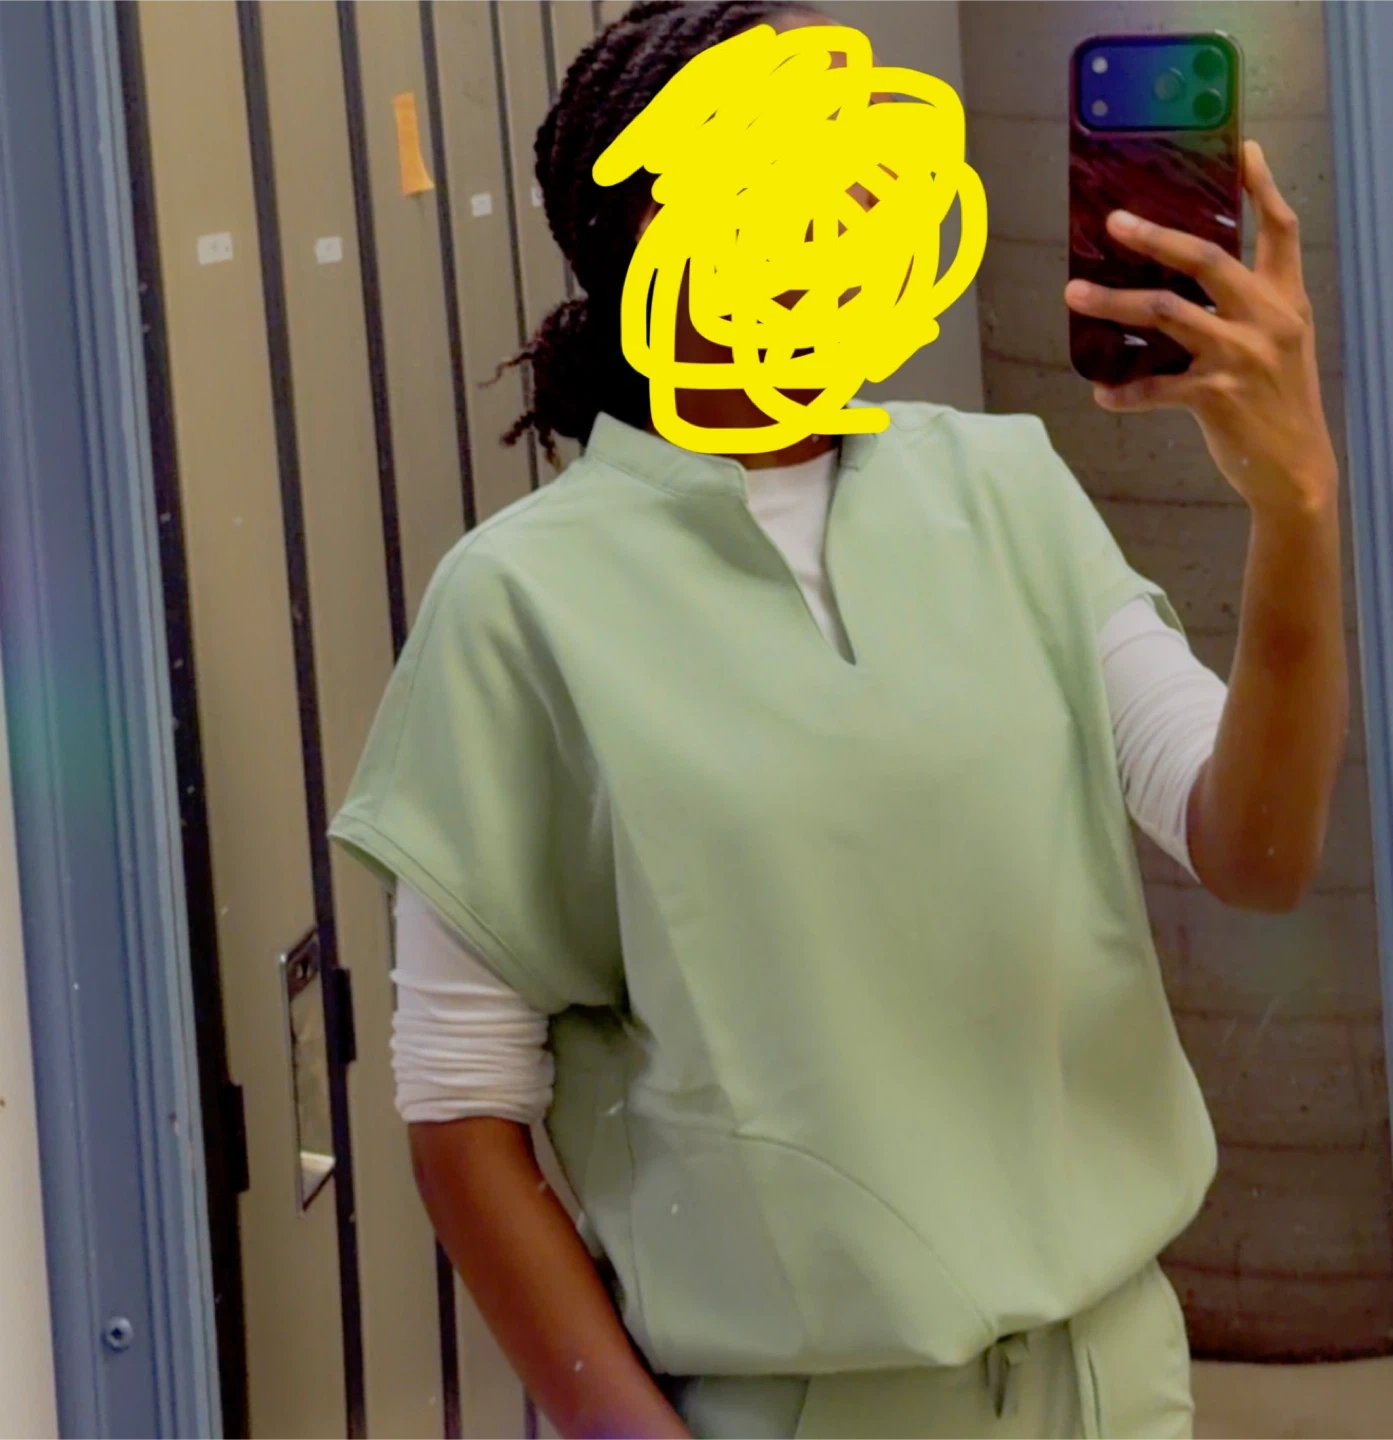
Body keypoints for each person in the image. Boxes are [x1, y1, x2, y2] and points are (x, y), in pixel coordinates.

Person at [329, 2, 1348, 1437]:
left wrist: (1295, 507)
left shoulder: (1006, 488)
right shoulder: (517, 603)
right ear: (649, 227)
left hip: (1115, 1382)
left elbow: (1254, 850)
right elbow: (462, 1116)